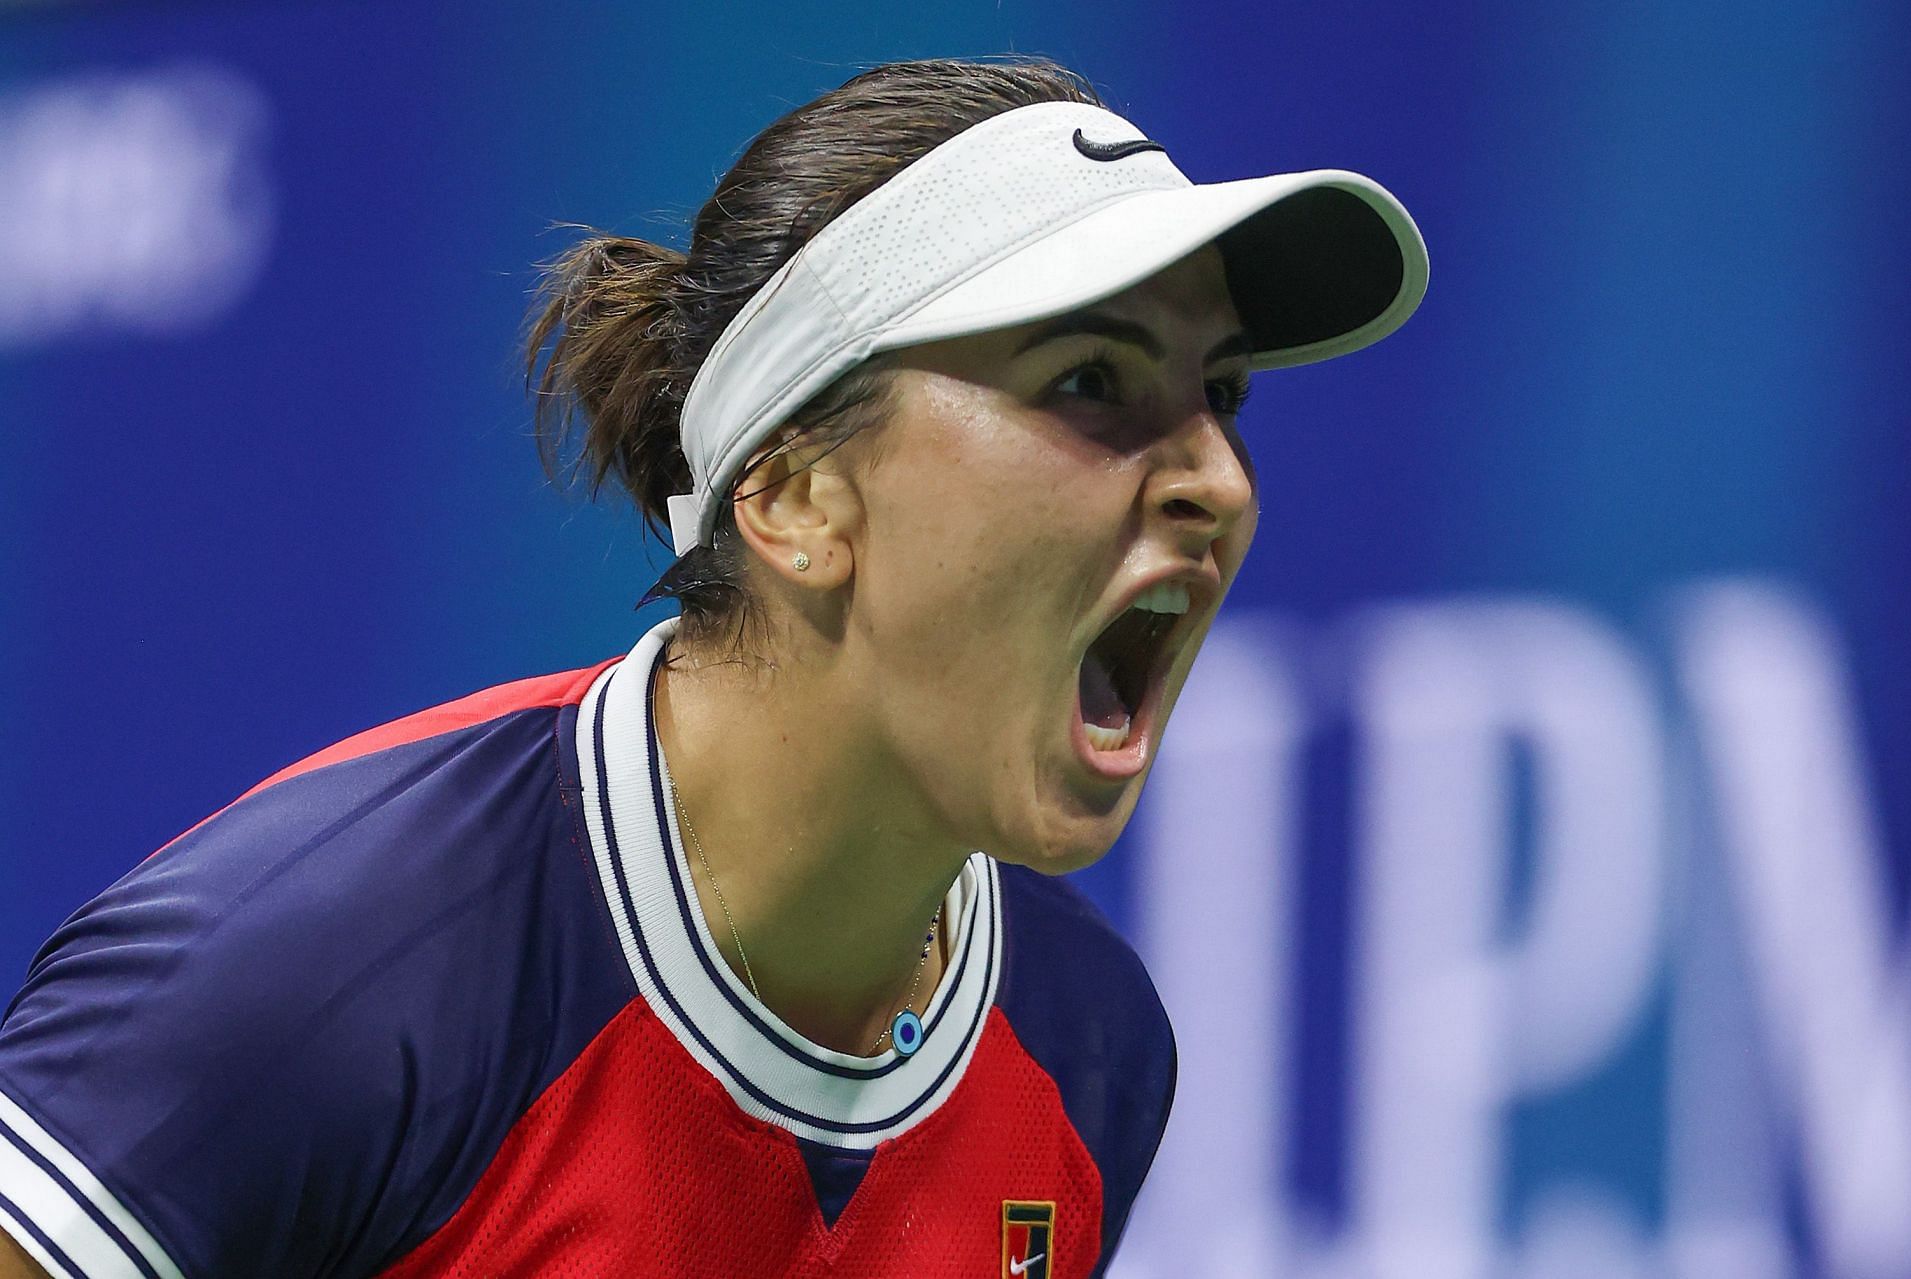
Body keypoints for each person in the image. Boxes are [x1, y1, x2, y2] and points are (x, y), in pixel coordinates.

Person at [0, 57, 1424, 1279]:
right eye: (1091, 382)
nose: (1215, 480)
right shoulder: (307, 983)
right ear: (798, 497)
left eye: (1220, 395)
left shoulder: (1088, 1051)